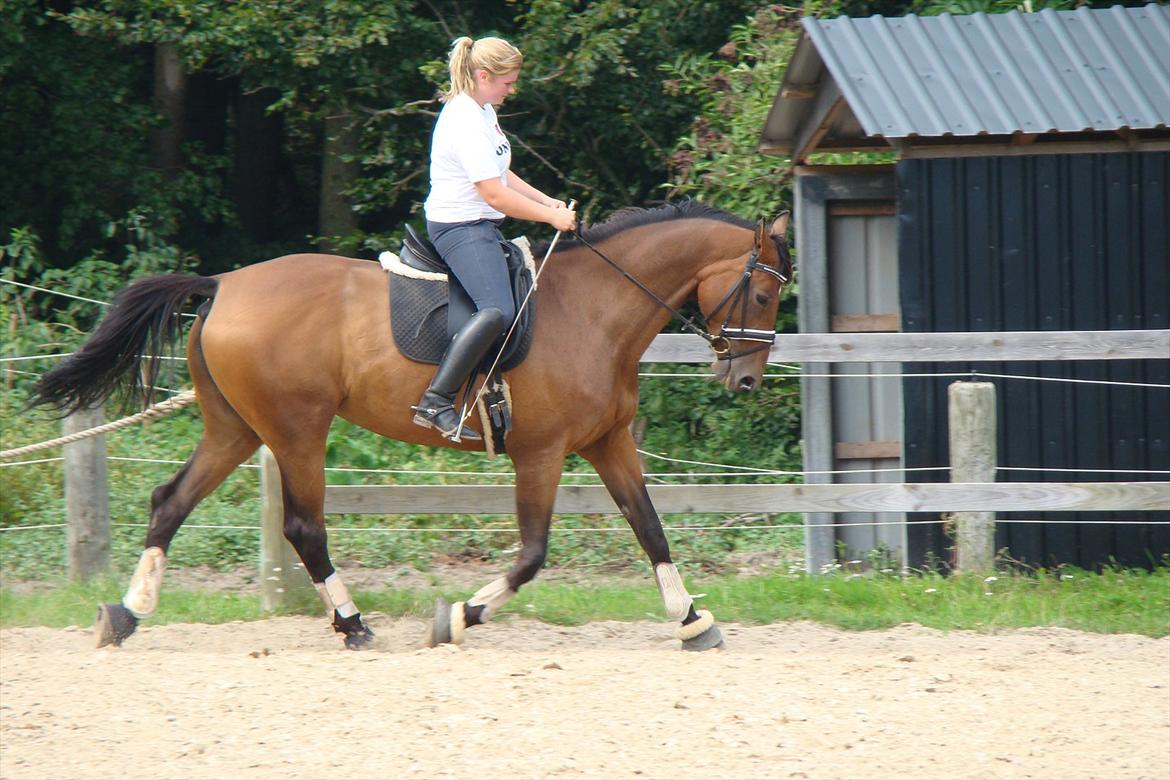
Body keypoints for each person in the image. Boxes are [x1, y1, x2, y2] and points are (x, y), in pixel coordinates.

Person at [413, 36, 576, 441]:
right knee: (497, 310)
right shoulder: (464, 121)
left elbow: (501, 171)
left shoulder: (483, 111)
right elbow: (494, 193)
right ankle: (436, 400)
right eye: (507, 82)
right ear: (483, 76)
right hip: (460, 227)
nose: (511, 89)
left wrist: (546, 200)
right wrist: (550, 219)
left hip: (481, 224)